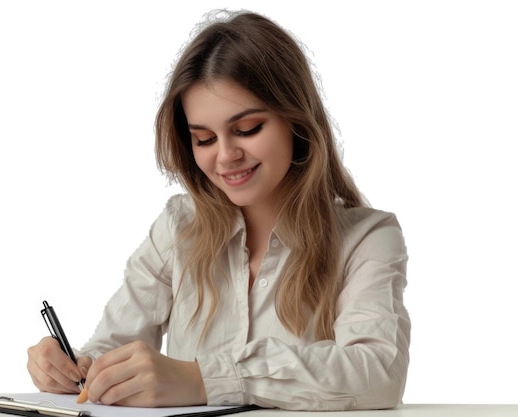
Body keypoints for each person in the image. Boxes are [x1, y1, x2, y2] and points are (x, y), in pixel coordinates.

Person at [27, 10, 410, 411]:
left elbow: (378, 373)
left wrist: (203, 380)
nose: (226, 156)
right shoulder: (177, 228)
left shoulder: (368, 237)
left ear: (296, 121)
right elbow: (113, 346)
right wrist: (76, 367)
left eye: (247, 130)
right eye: (204, 138)